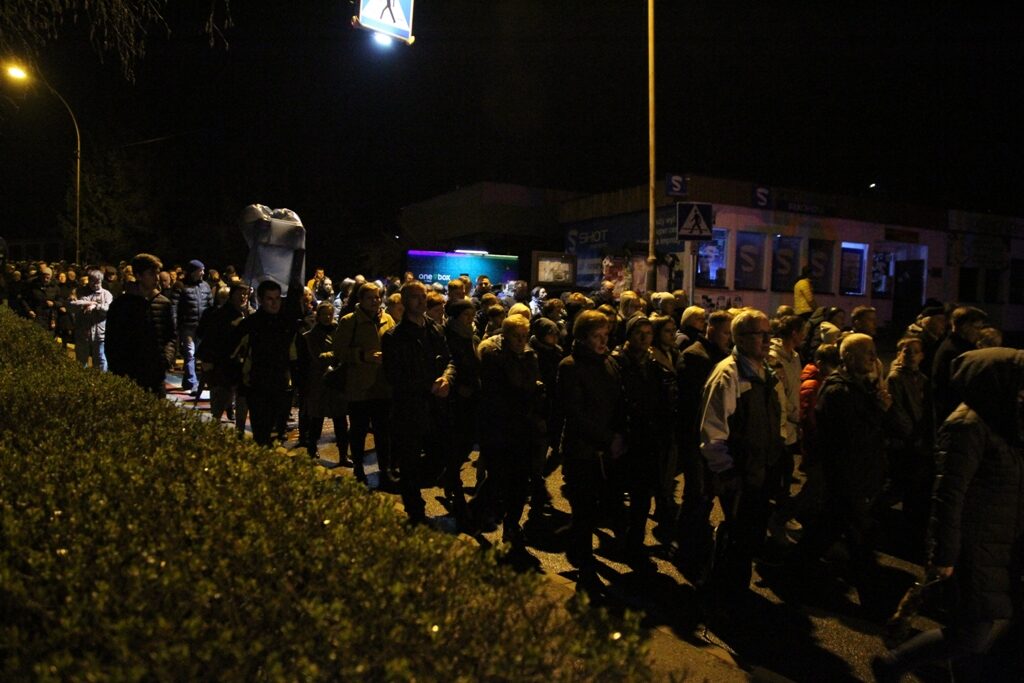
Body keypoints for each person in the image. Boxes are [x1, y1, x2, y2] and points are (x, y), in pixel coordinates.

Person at [875, 348, 1023, 682]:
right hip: (973, 545)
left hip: (998, 543)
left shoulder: (1002, 422)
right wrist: (943, 554)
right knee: (972, 633)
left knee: (977, 630)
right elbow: (948, 494)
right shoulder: (967, 425)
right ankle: (894, 663)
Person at [812, 333, 899, 615]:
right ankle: (873, 603)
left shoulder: (861, 387)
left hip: (857, 478)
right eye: (867, 353)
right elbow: (851, 439)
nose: (874, 358)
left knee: (827, 529)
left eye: (874, 351)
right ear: (848, 358)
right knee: (860, 541)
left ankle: (795, 572)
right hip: (848, 479)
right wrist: (879, 410)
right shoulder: (838, 391)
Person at [699, 309, 784, 595]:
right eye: (761, 334)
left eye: (769, 333)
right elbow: (712, 430)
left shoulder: (765, 371)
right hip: (739, 474)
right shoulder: (728, 375)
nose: (768, 340)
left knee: (749, 535)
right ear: (741, 338)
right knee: (738, 537)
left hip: (759, 471)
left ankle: (734, 590)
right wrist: (727, 472)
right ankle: (724, 594)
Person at [382, 281, 461, 525]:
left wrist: (447, 378)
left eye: (423, 296)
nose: (421, 301)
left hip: (436, 406)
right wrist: (428, 385)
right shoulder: (394, 337)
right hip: (409, 408)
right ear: (404, 301)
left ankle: (413, 485)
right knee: (410, 459)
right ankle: (415, 510)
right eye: (415, 297)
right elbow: (394, 376)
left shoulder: (434, 329)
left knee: (440, 455)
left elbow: (449, 360)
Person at [558, 310, 625, 591]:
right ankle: (585, 568)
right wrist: (607, 438)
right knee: (584, 509)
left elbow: (618, 401)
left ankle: (576, 544)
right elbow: (575, 413)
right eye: (597, 336)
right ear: (583, 337)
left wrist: (619, 434)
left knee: (599, 507)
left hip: (607, 450)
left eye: (605, 335)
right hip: (582, 451)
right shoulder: (570, 366)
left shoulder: (609, 362)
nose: (603, 341)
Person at [611, 315, 677, 564]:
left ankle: (634, 542)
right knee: (617, 492)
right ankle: (622, 537)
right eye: (639, 333)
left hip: (647, 437)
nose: (644, 338)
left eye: (648, 333)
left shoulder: (653, 363)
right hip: (625, 435)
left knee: (642, 495)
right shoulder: (617, 361)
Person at [477, 315, 546, 545]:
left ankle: (512, 524)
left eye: (524, 336)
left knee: (520, 481)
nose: (521, 341)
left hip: (523, 427)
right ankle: (477, 515)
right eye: (517, 336)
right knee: (498, 478)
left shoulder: (529, 355)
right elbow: (499, 393)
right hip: (499, 427)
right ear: (506, 336)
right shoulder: (493, 356)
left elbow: (532, 385)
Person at [336, 282, 396, 483]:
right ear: (360, 300)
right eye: (370, 298)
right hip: (359, 387)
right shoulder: (349, 321)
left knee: (383, 431)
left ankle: (385, 470)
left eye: (377, 297)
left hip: (382, 385)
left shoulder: (387, 318)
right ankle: (359, 469)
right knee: (359, 430)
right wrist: (363, 356)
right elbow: (339, 351)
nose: (375, 301)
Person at [884, 335, 936, 559]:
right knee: (902, 485)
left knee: (912, 490)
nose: (911, 355)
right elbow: (897, 412)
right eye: (906, 351)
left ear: (922, 356)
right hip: (905, 444)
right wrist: (913, 437)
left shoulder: (922, 379)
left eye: (915, 351)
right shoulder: (895, 378)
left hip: (918, 442)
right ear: (899, 354)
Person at [233, 280, 298, 446]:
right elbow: (237, 354)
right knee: (261, 433)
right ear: (261, 300)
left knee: (277, 433)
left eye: (277, 298)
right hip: (257, 384)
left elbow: (293, 355)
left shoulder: (286, 324)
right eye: (270, 298)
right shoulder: (250, 324)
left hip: (281, 384)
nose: (274, 303)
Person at [105, 253, 177, 397]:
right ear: (138, 276)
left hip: (156, 373)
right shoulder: (121, 305)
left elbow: (171, 335)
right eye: (151, 274)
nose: (157, 278)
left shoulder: (163, 303)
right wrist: (118, 369)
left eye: (157, 273)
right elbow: (112, 340)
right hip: (128, 373)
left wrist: (166, 359)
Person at [195, 281, 249, 425]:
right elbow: (211, 338)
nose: (243, 297)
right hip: (223, 364)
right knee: (220, 399)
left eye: (245, 294)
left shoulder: (247, 314)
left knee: (242, 398)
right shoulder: (221, 314)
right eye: (240, 293)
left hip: (241, 365)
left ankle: (239, 429)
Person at [932, 306, 987, 420]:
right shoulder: (957, 352)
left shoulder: (952, 346)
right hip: (956, 414)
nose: (980, 333)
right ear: (965, 327)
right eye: (977, 328)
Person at [171, 259, 214, 392]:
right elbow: (174, 306)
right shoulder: (180, 286)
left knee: (198, 354)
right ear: (193, 272)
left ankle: (188, 381)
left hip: (202, 326)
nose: (203, 273)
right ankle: (192, 382)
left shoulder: (205, 286)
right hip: (187, 325)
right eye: (200, 270)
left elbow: (210, 305)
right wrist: (175, 324)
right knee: (190, 353)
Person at [68, 269, 113, 370]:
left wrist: (96, 306)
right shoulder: (80, 291)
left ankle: (101, 378)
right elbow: (71, 304)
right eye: (92, 281)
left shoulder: (106, 294)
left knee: (100, 358)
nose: (95, 284)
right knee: (81, 360)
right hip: (83, 332)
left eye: (98, 281)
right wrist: (89, 303)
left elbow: (108, 308)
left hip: (99, 333)